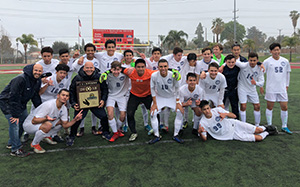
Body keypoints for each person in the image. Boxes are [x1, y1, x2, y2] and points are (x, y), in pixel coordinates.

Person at [100, 58, 180, 141]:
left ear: (145, 67)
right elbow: (118, 68)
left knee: (155, 111)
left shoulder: (150, 73)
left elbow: (162, 69)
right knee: (130, 113)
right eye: (138, 67)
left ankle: (156, 130)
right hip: (134, 95)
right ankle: (133, 132)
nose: (140, 69)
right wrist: (106, 72)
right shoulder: (130, 72)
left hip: (147, 95)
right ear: (135, 67)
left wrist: (174, 71)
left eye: (142, 67)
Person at [0, 64, 43, 157]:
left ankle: (12, 143)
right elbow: (13, 97)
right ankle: (15, 149)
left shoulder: (37, 80)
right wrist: (15, 115)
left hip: (20, 104)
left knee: (23, 122)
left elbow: (35, 95)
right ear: (32, 70)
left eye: (40, 71)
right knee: (14, 124)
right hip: (8, 103)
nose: (37, 73)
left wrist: (41, 109)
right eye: (36, 70)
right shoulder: (20, 79)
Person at [23, 89, 83, 153]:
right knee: (48, 125)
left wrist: (75, 120)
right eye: (63, 95)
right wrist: (46, 119)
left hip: (42, 123)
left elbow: (65, 125)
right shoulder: (48, 105)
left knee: (60, 123)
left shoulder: (64, 109)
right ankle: (34, 144)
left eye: (67, 96)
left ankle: (45, 136)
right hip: (29, 125)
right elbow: (34, 121)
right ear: (58, 96)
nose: (65, 97)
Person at [67, 62, 110, 146]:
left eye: (91, 68)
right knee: (77, 119)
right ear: (83, 68)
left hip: (95, 102)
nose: (89, 69)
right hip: (82, 103)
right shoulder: (77, 78)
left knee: (104, 117)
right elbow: (71, 91)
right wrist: (73, 103)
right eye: (87, 68)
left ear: (94, 68)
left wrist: (103, 100)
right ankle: (71, 136)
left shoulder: (99, 77)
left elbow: (105, 89)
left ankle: (106, 132)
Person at [198, 100, 278, 142]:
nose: (207, 111)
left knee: (258, 130)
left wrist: (225, 114)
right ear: (201, 110)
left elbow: (234, 116)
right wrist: (200, 132)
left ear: (210, 108)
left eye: (208, 108)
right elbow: (204, 139)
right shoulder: (203, 123)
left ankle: (265, 128)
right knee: (259, 138)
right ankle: (268, 132)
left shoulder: (217, 110)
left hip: (234, 124)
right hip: (231, 135)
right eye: (204, 109)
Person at [149, 59, 184, 144]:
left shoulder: (173, 75)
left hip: (172, 97)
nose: (163, 68)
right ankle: (156, 135)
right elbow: (152, 89)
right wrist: (154, 103)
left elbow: (177, 88)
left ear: (168, 67)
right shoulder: (154, 75)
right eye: (161, 66)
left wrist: (177, 101)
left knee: (180, 111)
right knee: (153, 113)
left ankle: (176, 134)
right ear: (158, 67)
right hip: (160, 97)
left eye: (165, 66)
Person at [262, 43, 292, 134]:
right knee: (270, 107)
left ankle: (284, 126)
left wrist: (287, 85)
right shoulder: (267, 61)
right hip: (271, 88)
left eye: (278, 49)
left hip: (282, 88)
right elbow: (261, 74)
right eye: (274, 50)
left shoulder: (285, 61)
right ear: (271, 51)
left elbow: (287, 74)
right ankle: (270, 126)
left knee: (284, 107)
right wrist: (261, 85)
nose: (276, 52)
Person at [73, 43, 102, 136]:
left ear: (94, 51)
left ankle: (94, 127)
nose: (90, 52)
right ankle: (81, 128)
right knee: (82, 108)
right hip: (82, 88)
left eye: (92, 50)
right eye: (88, 50)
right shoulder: (81, 60)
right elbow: (73, 68)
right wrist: (79, 59)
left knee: (94, 107)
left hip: (94, 87)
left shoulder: (98, 60)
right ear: (85, 52)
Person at [236, 52, 264, 126]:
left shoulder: (259, 68)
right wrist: (222, 66)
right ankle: (243, 125)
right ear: (248, 60)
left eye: (254, 60)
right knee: (243, 106)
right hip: (242, 88)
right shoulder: (244, 65)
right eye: (251, 60)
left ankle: (257, 125)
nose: (252, 62)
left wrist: (256, 83)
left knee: (257, 106)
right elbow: (233, 61)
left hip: (252, 89)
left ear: (257, 60)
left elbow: (262, 82)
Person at [105, 61, 130, 142]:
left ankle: (118, 129)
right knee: (109, 113)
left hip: (122, 96)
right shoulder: (108, 75)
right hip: (111, 96)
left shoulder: (125, 74)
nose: (116, 72)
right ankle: (115, 132)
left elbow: (132, 70)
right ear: (111, 69)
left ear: (121, 69)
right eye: (114, 70)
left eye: (118, 70)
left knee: (122, 116)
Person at [221, 55, 240, 119]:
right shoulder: (222, 69)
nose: (231, 64)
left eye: (232, 62)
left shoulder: (238, 68)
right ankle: (222, 121)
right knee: (221, 107)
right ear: (225, 62)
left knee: (235, 107)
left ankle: (236, 122)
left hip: (234, 90)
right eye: (229, 62)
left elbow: (247, 64)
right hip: (224, 90)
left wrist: (259, 64)